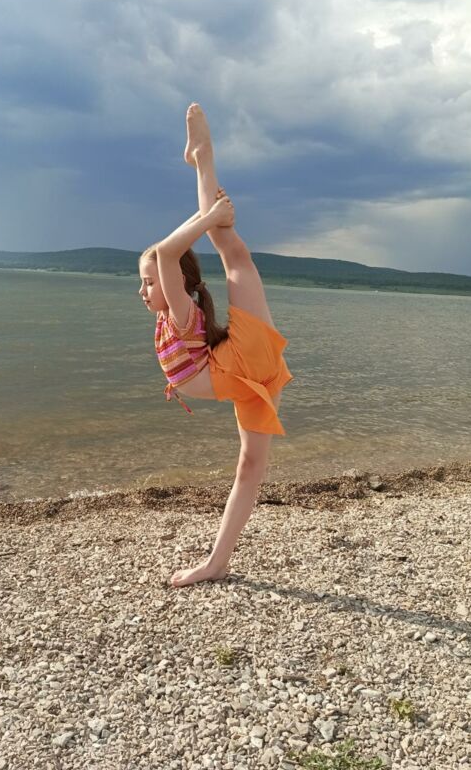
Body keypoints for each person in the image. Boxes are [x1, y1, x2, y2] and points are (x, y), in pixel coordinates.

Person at [138, 103, 294, 588]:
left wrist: (209, 218)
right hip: (248, 381)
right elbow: (170, 254)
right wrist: (207, 216)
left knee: (233, 252)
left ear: (176, 286)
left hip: (244, 359)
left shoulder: (181, 314)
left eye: (148, 282)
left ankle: (203, 156)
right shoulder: (171, 316)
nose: (142, 290)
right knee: (250, 468)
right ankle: (217, 562)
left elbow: (168, 253)